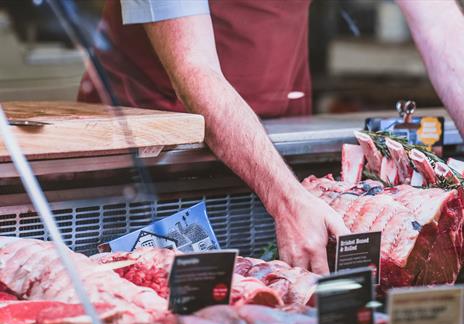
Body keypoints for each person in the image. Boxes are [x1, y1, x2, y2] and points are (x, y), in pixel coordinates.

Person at [78, 0, 464, 275]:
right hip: (157, 158)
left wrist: (287, 194)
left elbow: (440, 24)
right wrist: (285, 198)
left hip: (274, 135)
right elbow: (194, 69)